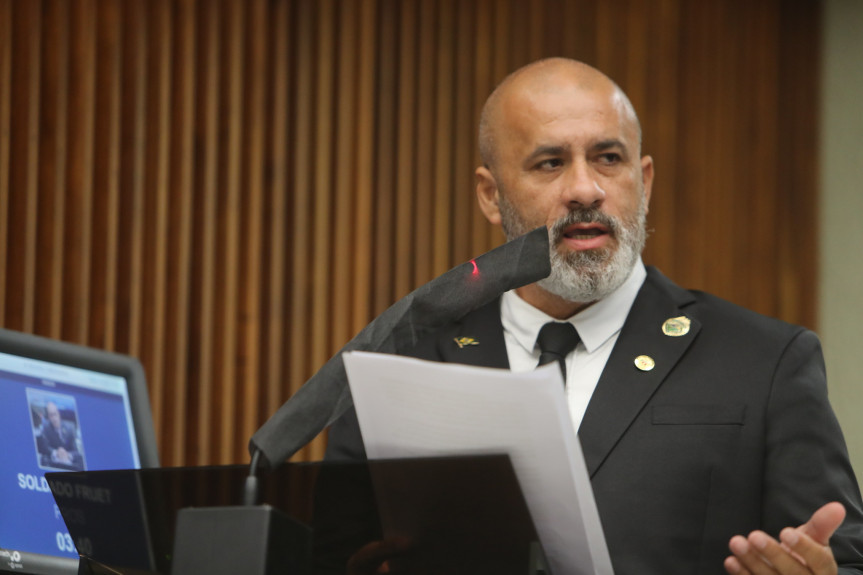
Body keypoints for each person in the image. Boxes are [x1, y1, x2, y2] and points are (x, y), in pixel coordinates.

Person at [325, 58, 863, 574]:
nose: (586, 189)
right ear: (491, 196)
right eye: (550, 163)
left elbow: (841, 558)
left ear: (644, 182)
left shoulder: (763, 361)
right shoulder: (400, 359)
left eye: (609, 158)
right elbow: (328, 556)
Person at [37, 401, 83, 470]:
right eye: (51, 415)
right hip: (54, 462)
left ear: (58, 414)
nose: (54, 418)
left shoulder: (70, 427)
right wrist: (56, 453)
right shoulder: (46, 428)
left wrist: (67, 454)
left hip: (69, 461)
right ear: (48, 417)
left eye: (55, 414)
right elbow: (45, 448)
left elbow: (76, 451)